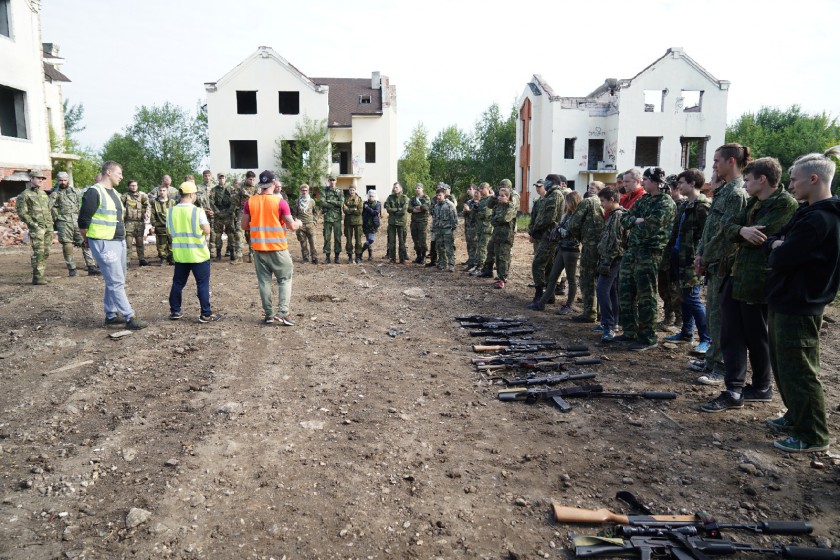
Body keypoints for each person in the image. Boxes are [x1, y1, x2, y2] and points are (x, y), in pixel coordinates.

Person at [700, 158, 798, 413]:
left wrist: (742, 233)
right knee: (731, 334)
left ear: (762, 179)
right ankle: (734, 388)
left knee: (757, 336)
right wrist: (743, 230)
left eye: (748, 178)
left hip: (759, 280)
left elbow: (765, 237)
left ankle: (761, 387)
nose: (745, 183)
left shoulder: (785, 205)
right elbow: (728, 226)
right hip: (737, 275)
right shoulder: (754, 203)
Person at [763, 147, 840, 452]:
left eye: (794, 180)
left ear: (813, 178)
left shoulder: (822, 219)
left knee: (801, 370)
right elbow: (775, 241)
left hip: (801, 302)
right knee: (783, 365)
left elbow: (783, 255)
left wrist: (778, 246)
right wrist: (777, 245)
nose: (790, 185)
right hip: (785, 299)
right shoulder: (806, 212)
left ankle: (813, 435)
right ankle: (796, 415)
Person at [692, 144, 750, 382]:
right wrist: (700, 253)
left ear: (731, 162)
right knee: (714, 317)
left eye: (717, 161)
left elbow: (726, 234)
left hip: (724, 264)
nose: (714, 165)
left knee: (723, 320)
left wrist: (705, 257)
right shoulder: (725, 191)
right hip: (712, 262)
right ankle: (711, 360)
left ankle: (721, 366)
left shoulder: (737, 193)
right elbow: (710, 229)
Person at [78, 161, 147, 329]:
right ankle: (129, 316)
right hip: (103, 242)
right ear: (108, 172)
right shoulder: (94, 192)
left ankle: (111, 314)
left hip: (118, 240)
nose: (122, 177)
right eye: (119, 174)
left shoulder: (114, 193)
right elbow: (83, 220)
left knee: (116, 279)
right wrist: (87, 239)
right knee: (115, 280)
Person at [616, 167, 676, 351]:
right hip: (632, 251)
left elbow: (652, 226)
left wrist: (638, 221)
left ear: (656, 181)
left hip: (650, 252)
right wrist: (637, 219)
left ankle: (647, 336)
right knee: (625, 291)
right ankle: (629, 331)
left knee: (646, 295)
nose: (643, 183)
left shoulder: (665, 202)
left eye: (646, 180)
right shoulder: (644, 200)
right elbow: (624, 219)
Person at [242, 171, 302, 325]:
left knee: (264, 282)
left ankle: (269, 315)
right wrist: (299, 223)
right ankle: (283, 313)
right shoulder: (280, 202)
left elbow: (244, 225)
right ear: (274, 184)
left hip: (258, 249)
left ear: (260, 185)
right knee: (284, 280)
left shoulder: (250, 202)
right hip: (278, 249)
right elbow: (291, 226)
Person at [665, 169, 712, 350]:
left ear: (693, 183)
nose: (679, 186)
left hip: (693, 260)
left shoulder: (703, 206)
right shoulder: (686, 205)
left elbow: (707, 236)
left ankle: (706, 339)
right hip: (680, 257)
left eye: (682, 183)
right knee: (685, 296)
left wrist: (700, 259)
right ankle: (686, 332)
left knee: (692, 298)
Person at [166, 181, 221, 323]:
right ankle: (205, 314)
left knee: (178, 283)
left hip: (180, 255)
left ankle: (175, 311)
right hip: (198, 254)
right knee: (202, 284)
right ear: (191, 194)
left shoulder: (171, 211)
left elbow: (169, 231)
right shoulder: (197, 211)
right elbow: (207, 230)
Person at [532, 191, 581, 312]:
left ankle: (568, 305)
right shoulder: (567, 215)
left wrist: (559, 230)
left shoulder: (577, 216)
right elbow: (561, 228)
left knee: (571, 278)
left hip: (571, 250)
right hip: (562, 248)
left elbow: (571, 232)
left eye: (567, 202)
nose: (565, 204)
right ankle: (542, 302)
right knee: (553, 276)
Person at [568, 181, 606, 322]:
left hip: (590, 246)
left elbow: (573, 224)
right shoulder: (606, 203)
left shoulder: (588, 202)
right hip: (605, 246)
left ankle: (590, 312)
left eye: (592, 188)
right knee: (601, 279)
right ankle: (602, 312)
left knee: (587, 279)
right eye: (589, 187)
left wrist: (581, 238)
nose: (589, 189)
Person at [49, 171, 100, 276]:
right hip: (63, 222)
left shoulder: (75, 191)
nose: (63, 182)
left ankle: (91, 267)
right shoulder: (54, 193)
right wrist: (54, 193)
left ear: (68, 180)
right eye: (60, 180)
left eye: (65, 180)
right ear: (57, 181)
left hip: (76, 220)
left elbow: (81, 204)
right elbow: (48, 207)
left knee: (85, 242)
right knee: (67, 245)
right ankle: (72, 269)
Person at [595, 187, 627, 341]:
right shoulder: (613, 215)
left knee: (601, 290)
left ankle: (608, 326)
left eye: (602, 201)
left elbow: (614, 243)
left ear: (612, 200)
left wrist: (606, 262)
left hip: (613, 260)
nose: (601, 204)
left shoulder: (618, 216)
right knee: (612, 291)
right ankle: (613, 322)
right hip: (611, 259)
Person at [528, 176, 565, 307]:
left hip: (549, 236)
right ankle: (549, 296)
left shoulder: (555, 195)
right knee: (549, 266)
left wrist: (536, 228)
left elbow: (549, 218)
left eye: (547, 182)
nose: (545, 184)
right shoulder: (552, 195)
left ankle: (539, 297)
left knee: (537, 264)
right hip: (548, 235)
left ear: (552, 182)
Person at [657, 176, 685, 330]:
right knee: (663, 288)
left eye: (668, 188)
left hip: (674, 253)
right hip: (663, 253)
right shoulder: (666, 205)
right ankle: (668, 317)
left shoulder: (682, 205)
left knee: (675, 288)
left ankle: (679, 319)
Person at [17, 172, 54, 284]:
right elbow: (22, 213)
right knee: (39, 252)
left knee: (46, 251)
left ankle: (41, 275)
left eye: (42, 179)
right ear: (31, 179)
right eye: (38, 178)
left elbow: (48, 209)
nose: (41, 180)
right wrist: (34, 225)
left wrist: (51, 222)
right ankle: (37, 277)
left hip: (48, 226)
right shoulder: (24, 195)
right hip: (37, 228)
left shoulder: (43, 194)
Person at [489, 187, 517, 288]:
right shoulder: (497, 207)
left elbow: (505, 218)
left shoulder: (510, 207)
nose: (500, 197)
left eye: (503, 196)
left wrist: (496, 219)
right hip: (497, 235)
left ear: (508, 197)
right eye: (499, 195)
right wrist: (496, 219)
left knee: (503, 258)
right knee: (497, 257)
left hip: (506, 236)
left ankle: (503, 279)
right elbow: (491, 220)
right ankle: (500, 277)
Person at [211, 173, 241, 263]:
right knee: (218, 235)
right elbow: (211, 201)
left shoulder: (231, 189)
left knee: (231, 234)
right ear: (217, 179)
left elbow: (234, 201)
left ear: (225, 178)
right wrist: (216, 212)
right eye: (220, 178)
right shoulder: (214, 189)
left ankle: (232, 253)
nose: (221, 179)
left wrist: (229, 211)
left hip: (229, 214)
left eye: (223, 177)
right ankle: (218, 254)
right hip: (218, 214)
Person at [121, 179, 150, 266]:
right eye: (132, 185)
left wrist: (147, 213)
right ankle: (127, 260)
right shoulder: (125, 196)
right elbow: (119, 206)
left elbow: (147, 205)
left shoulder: (142, 196)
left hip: (139, 222)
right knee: (128, 243)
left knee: (140, 242)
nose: (133, 187)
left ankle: (141, 259)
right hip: (128, 222)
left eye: (135, 185)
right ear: (128, 186)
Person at [431, 187, 458, 271]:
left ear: (444, 195)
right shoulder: (436, 206)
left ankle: (451, 264)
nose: (438, 197)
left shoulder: (450, 205)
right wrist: (433, 228)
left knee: (449, 247)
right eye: (437, 195)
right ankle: (442, 263)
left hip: (447, 229)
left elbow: (454, 218)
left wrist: (453, 229)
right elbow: (435, 218)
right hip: (438, 230)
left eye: (440, 195)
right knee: (439, 247)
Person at [471, 183, 495, 277]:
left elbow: (485, 214)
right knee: (480, 247)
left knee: (483, 248)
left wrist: (477, 211)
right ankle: (479, 266)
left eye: (482, 189)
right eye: (479, 189)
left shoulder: (490, 200)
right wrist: (475, 208)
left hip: (487, 228)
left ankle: (481, 267)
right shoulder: (482, 200)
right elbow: (473, 214)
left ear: (488, 189)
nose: (480, 191)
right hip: (480, 228)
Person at [235, 171, 260, 263]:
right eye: (250, 179)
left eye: (253, 179)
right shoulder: (241, 186)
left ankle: (252, 255)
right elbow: (235, 199)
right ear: (246, 178)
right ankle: (239, 256)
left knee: (252, 233)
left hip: (253, 212)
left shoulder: (257, 187)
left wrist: (247, 194)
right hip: (242, 211)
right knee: (239, 232)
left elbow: (257, 200)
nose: (252, 181)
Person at [150, 180, 176, 265]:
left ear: (167, 191)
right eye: (160, 190)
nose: (162, 192)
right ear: (158, 191)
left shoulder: (172, 202)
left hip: (171, 225)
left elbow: (175, 213)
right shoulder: (155, 202)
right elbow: (152, 214)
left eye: (164, 190)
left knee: (172, 242)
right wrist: (154, 224)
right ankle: (163, 258)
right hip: (160, 225)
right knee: (161, 244)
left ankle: (171, 257)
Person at [292, 183, 319, 263]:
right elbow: (294, 213)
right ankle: (305, 258)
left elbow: (315, 213)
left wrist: (314, 221)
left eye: (306, 190)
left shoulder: (312, 201)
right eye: (303, 190)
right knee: (303, 243)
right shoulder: (297, 201)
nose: (304, 192)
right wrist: (296, 221)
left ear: (308, 191)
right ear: (300, 191)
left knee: (313, 242)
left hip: (310, 224)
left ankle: (314, 258)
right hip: (301, 225)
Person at [319, 176, 343, 263]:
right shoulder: (324, 191)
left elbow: (341, 203)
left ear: (336, 181)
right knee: (327, 238)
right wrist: (333, 206)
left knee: (337, 238)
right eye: (330, 180)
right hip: (327, 218)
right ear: (328, 181)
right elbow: (321, 202)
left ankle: (337, 257)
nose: (332, 182)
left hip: (337, 218)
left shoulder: (340, 191)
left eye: (334, 180)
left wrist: (330, 201)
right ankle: (327, 257)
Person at [384, 182, 409, 263]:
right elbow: (388, 209)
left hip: (401, 223)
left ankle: (402, 259)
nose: (395, 189)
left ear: (400, 188)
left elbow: (403, 211)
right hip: (392, 223)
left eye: (397, 187)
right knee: (392, 241)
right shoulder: (390, 197)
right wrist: (397, 209)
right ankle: (392, 258)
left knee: (402, 242)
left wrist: (394, 211)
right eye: (394, 187)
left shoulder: (404, 198)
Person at [409, 183, 430, 264]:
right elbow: (409, 208)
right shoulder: (413, 199)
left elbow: (426, 207)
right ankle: (418, 256)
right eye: (416, 188)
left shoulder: (426, 198)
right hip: (414, 222)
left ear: (422, 189)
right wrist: (417, 209)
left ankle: (424, 256)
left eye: (419, 188)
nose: (417, 189)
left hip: (422, 221)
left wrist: (418, 208)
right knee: (415, 239)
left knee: (422, 240)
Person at [343, 185, 364, 263]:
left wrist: (350, 210)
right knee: (348, 240)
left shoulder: (359, 199)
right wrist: (354, 209)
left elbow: (360, 211)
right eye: (350, 190)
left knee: (358, 240)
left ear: (355, 191)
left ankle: (358, 256)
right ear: (349, 190)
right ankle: (350, 256)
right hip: (348, 222)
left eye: (353, 190)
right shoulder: (345, 199)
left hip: (358, 222)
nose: (352, 191)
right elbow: (345, 210)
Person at [197, 170, 216, 255]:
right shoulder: (198, 187)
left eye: (209, 176)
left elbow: (218, 202)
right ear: (203, 177)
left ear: (211, 176)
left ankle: (211, 251)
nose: (207, 177)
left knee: (213, 231)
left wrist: (214, 211)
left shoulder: (215, 187)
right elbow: (196, 201)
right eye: (205, 176)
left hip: (213, 212)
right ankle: (203, 249)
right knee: (202, 231)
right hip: (202, 212)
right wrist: (202, 210)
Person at [361, 190, 381, 260]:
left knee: (371, 240)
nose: (371, 197)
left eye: (372, 196)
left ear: (375, 196)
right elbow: (362, 213)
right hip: (366, 224)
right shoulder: (365, 203)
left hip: (373, 225)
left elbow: (375, 213)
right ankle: (370, 255)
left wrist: (368, 208)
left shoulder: (377, 204)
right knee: (368, 239)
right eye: (370, 196)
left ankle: (361, 251)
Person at [463, 186, 480, 271]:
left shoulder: (481, 203)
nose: (476, 194)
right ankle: (470, 263)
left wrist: (469, 210)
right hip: (468, 227)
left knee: (475, 246)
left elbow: (478, 215)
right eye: (475, 192)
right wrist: (465, 211)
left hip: (476, 228)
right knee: (469, 245)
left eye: (478, 192)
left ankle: (475, 264)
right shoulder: (469, 202)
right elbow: (464, 214)